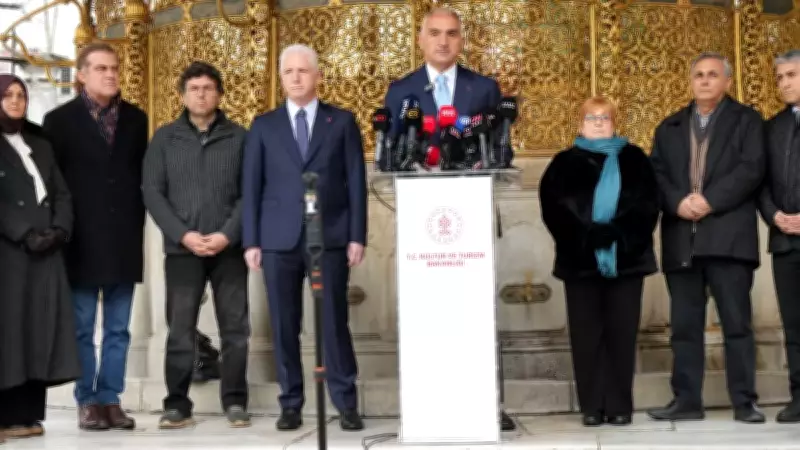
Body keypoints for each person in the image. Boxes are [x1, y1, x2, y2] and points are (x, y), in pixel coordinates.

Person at [383, 6, 514, 430]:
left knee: (478, 315)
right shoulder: (401, 91)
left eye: (452, 33)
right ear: (420, 39)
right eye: (435, 33)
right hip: (422, 224)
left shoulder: (484, 88)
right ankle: (427, 406)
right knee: (427, 316)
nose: (443, 41)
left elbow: (502, 148)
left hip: (470, 220)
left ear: (462, 40)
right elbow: (392, 152)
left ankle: (487, 406)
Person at [242, 44, 366, 432]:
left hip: (329, 236)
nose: (295, 78)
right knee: (284, 324)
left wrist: (357, 235)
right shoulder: (264, 125)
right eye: (288, 72)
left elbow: (355, 181)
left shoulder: (341, 121)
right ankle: (291, 403)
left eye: (303, 71)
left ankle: (345, 402)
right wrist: (251, 241)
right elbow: (251, 185)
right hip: (277, 239)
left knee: (333, 322)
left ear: (318, 76)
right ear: (281, 78)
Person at [647, 52, 766, 423]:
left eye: (712, 74)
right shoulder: (669, 126)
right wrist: (677, 202)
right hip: (682, 237)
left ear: (727, 81)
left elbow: (751, 169)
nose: (704, 80)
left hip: (728, 239)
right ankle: (686, 401)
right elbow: (656, 174)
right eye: (698, 74)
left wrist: (710, 200)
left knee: (736, 325)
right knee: (684, 328)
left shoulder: (747, 120)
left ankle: (744, 402)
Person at [42, 42, 148, 431]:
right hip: (80, 240)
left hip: (123, 238)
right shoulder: (58, 121)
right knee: (83, 328)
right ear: (82, 74)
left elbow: (140, 176)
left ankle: (111, 399)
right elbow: (52, 184)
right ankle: (86, 400)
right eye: (101, 68)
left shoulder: (136, 119)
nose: (111, 74)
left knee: (119, 329)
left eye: (114, 68)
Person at [142, 61, 250, 429]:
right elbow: (153, 192)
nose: (201, 94)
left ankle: (235, 401)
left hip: (228, 249)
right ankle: (177, 404)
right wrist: (183, 235)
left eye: (208, 88)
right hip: (182, 250)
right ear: (183, 95)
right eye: (194, 89)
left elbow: (250, 193)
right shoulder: (165, 138)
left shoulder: (239, 138)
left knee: (235, 329)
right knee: (180, 330)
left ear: (219, 94)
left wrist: (227, 234)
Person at [539, 96, 659, 426]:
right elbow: (552, 209)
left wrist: (617, 234)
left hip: (626, 260)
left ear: (614, 123)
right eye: (591, 118)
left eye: (604, 118)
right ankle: (591, 406)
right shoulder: (563, 162)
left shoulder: (635, 159)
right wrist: (586, 237)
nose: (597, 123)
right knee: (586, 336)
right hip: (580, 261)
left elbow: (648, 204)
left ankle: (619, 406)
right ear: (580, 124)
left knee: (622, 334)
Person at [0, 74, 81, 439]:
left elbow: (61, 193)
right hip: (10, 253)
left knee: (38, 330)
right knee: (10, 332)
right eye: (8, 95)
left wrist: (59, 230)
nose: (16, 101)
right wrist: (24, 233)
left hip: (45, 253)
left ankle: (27, 414)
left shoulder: (40, 144)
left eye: (21, 95)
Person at [759, 49, 800, 423]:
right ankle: (799, 397)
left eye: (791, 75)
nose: (784, 83)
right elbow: (762, 184)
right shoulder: (773, 127)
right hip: (785, 240)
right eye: (780, 78)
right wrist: (774, 215)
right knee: (794, 324)